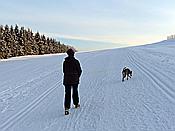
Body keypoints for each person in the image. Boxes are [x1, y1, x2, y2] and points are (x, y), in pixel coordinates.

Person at [63, 48, 82, 115]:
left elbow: (64, 71)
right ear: (73, 54)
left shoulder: (65, 62)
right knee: (75, 92)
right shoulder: (76, 61)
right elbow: (80, 71)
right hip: (75, 80)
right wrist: (77, 77)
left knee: (67, 94)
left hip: (67, 80)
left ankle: (66, 108)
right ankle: (76, 104)